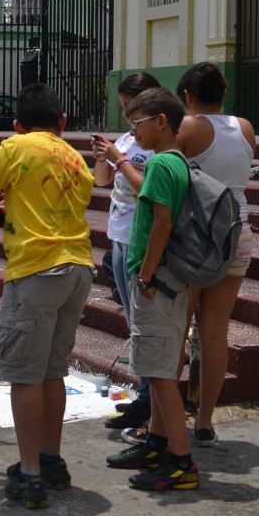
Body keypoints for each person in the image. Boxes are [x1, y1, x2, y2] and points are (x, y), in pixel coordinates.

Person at [0, 82, 94, 509]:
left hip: (37, 272)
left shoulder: (15, 148)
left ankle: (30, 473)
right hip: (77, 268)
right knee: (54, 370)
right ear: (63, 122)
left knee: (24, 374)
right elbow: (47, 208)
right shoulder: (77, 159)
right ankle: (51, 461)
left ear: (17, 124)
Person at [104, 87, 200, 491]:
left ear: (162, 121)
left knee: (159, 375)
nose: (133, 132)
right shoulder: (177, 161)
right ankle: (158, 444)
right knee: (161, 368)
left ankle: (181, 463)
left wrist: (143, 276)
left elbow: (161, 223)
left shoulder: (161, 165)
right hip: (169, 281)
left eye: (137, 123)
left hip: (156, 281)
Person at [176, 61, 256, 448]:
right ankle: (204, 422)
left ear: (188, 96)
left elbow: (171, 173)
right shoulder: (244, 127)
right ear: (222, 94)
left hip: (197, 238)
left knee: (176, 329)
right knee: (214, 332)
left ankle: (164, 421)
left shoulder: (190, 126)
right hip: (237, 233)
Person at [90, 72, 161, 434]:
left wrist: (119, 159)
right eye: (122, 110)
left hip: (139, 238)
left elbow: (146, 187)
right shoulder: (129, 138)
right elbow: (101, 181)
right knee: (134, 322)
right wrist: (105, 155)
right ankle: (143, 397)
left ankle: (150, 402)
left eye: (130, 109)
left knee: (144, 323)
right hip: (118, 236)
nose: (126, 117)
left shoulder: (155, 143)